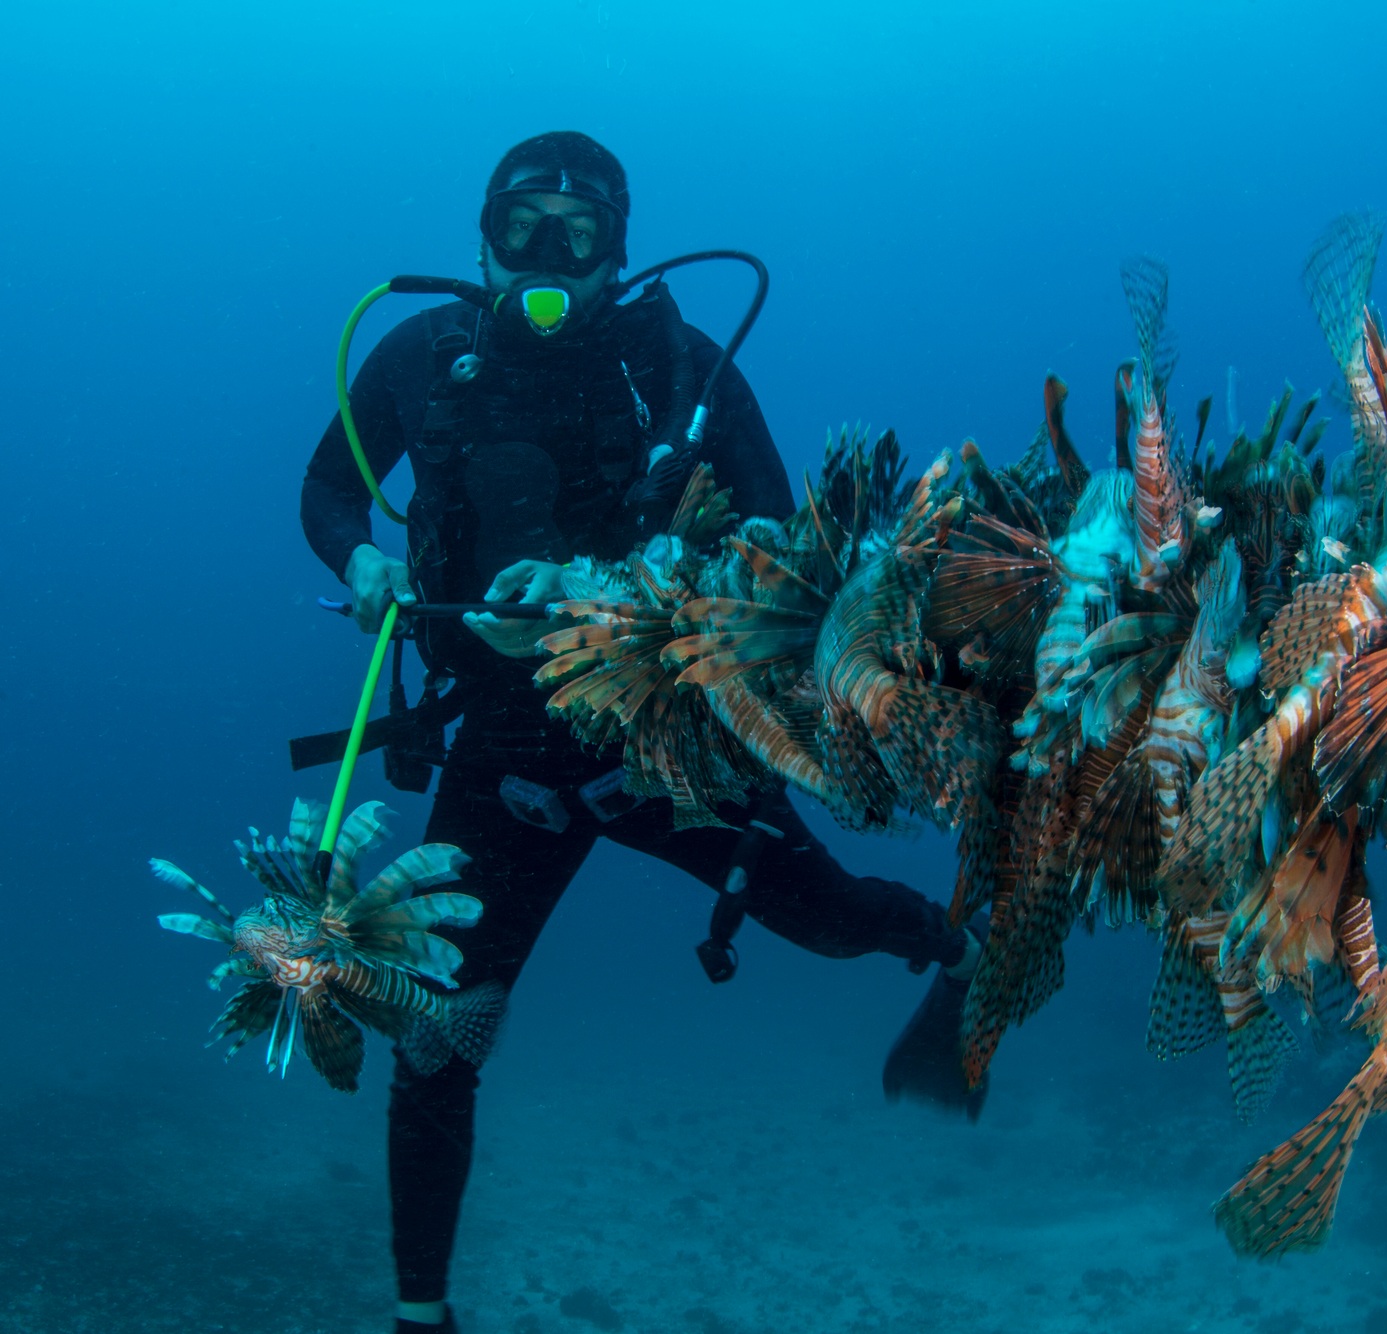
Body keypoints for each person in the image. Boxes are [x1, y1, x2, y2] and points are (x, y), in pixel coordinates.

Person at [300, 131, 984, 1334]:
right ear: (483, 236)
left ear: (619, 247)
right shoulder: (423, 358)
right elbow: (327, 488)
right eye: (524, 227)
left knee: (824, 921)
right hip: (499, 747)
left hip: (663, 735)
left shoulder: (683, 372)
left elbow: (775, 536)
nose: (548, 254)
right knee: (436, 1036)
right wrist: (357, 555)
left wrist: (624, 601)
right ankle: (421, 1313)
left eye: (578, 230)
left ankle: (952, 946)